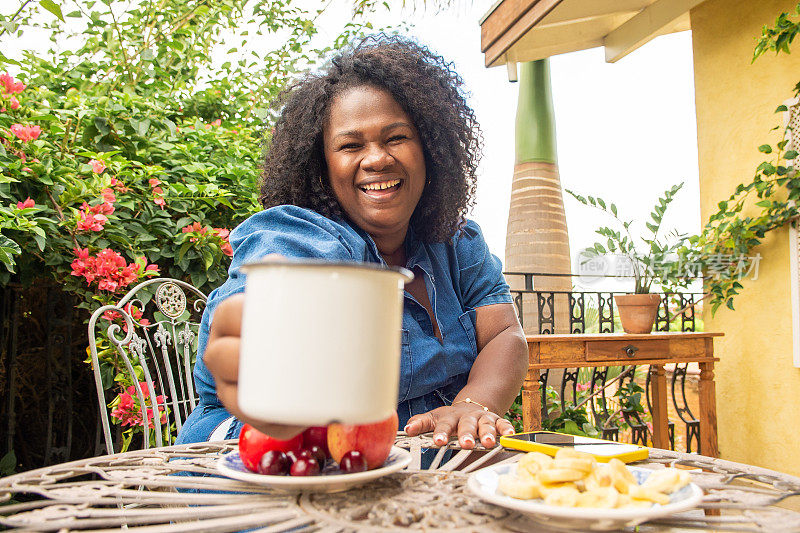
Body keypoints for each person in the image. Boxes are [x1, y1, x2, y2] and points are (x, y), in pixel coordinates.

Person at [176, 35, 528, 452]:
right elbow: (272, 300)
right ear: (323, 167)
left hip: (410, 459)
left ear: (431, 149)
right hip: (253, 451)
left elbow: (505, 333)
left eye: (396, 137)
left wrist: (471, 405)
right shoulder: (303, 234)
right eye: (350, 145)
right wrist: (259, 348)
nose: (377, 158)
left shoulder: (457, 240)